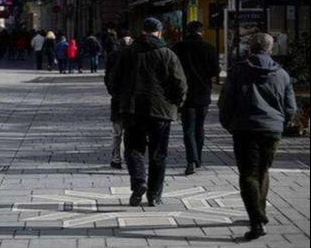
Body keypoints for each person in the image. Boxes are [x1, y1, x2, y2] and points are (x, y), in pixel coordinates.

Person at [219, 33, 297, 241]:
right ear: (270, 50)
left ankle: (257, 220)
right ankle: (258, 212)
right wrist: (282, 123)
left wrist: (228, 123)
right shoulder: (282, 74)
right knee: (262, 170)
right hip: (272, 129)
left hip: (245, 128)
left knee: (248, 174)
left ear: (249, 49)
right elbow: (290, 107)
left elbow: (226, 101)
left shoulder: (238, 72)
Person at [111, 17, 187, 207]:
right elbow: (180, 85)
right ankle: (154, 195)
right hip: (161, 111)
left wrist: (121, 98)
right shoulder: (168, 54)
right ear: (159, 32)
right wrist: (176, 104)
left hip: (133, 109)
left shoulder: (127, 53)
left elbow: (113, 80)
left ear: (143, 31)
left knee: (133, 149)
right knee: (158, 154)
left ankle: (139, 182)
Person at [171, 21, 220, 176]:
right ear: (202, 31)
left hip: (185, 94)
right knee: (200, 126)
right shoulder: (209, 48)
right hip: (203, 92)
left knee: (188, 129)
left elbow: (171, 70)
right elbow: (215, 71)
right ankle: (198, 158)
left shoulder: (178, 47)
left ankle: (191, 160)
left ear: (187, 31)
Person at [104, 32, 133, 170]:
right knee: (131, 131)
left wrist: (112, 91)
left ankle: (116, 159)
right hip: (133, 101)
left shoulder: (113, 56)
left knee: (117, 132)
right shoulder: (136, 57)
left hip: (117, 99)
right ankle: (130, 158)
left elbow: (108, 78)